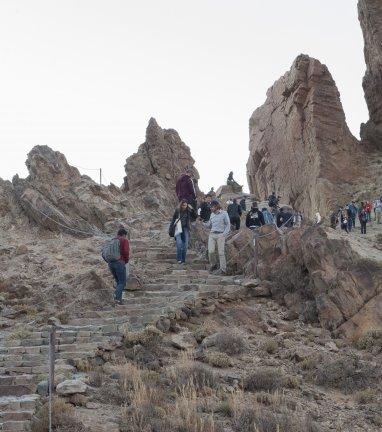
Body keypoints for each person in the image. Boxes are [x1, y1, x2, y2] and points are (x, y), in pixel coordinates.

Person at [203, 200, 231, 274]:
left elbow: (228, 225)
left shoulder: (224, 213)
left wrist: (224, 234)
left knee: (221, 252)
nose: (210, 208)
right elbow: (209, 225)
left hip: (220, 234)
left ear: (216, 206)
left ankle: (223, 269)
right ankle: (214, 264)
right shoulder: (211, 215)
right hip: (212, 234)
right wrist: (203, 223)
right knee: (211, 251)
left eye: (211, 207)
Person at [108, 228, 129, 305]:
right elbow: (126, 252)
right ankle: (116, 297)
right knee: (122, 282)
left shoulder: (112, 240)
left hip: (110, 263)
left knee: (118, 281)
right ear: (124, 234)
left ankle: (119, 300)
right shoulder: (124, 240)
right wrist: (126, 261)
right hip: (119, 262)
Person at [171, 199, 196, 264]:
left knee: (185, 245)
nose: (184, 207)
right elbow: (173, 220)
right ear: (181, 205)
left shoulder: (189, 211)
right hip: (178, 228)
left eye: (185, 205)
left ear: (187, 205)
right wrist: (171, 228)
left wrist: (192, 209)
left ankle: (183, 260)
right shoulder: (177, 211)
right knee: (179, 243)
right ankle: (179, 259)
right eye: (182, 205)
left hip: (185, 228)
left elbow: (195, 217)